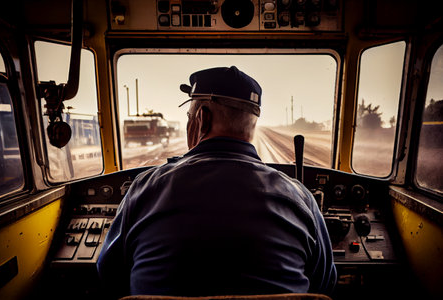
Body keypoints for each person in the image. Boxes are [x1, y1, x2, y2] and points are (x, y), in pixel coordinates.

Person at [96, 66, 336, 298]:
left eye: (189, 116)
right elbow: (323, 286)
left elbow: (110, 278)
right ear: (252, 125)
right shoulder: (299, 197)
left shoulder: (145, 188)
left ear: (201, 118)